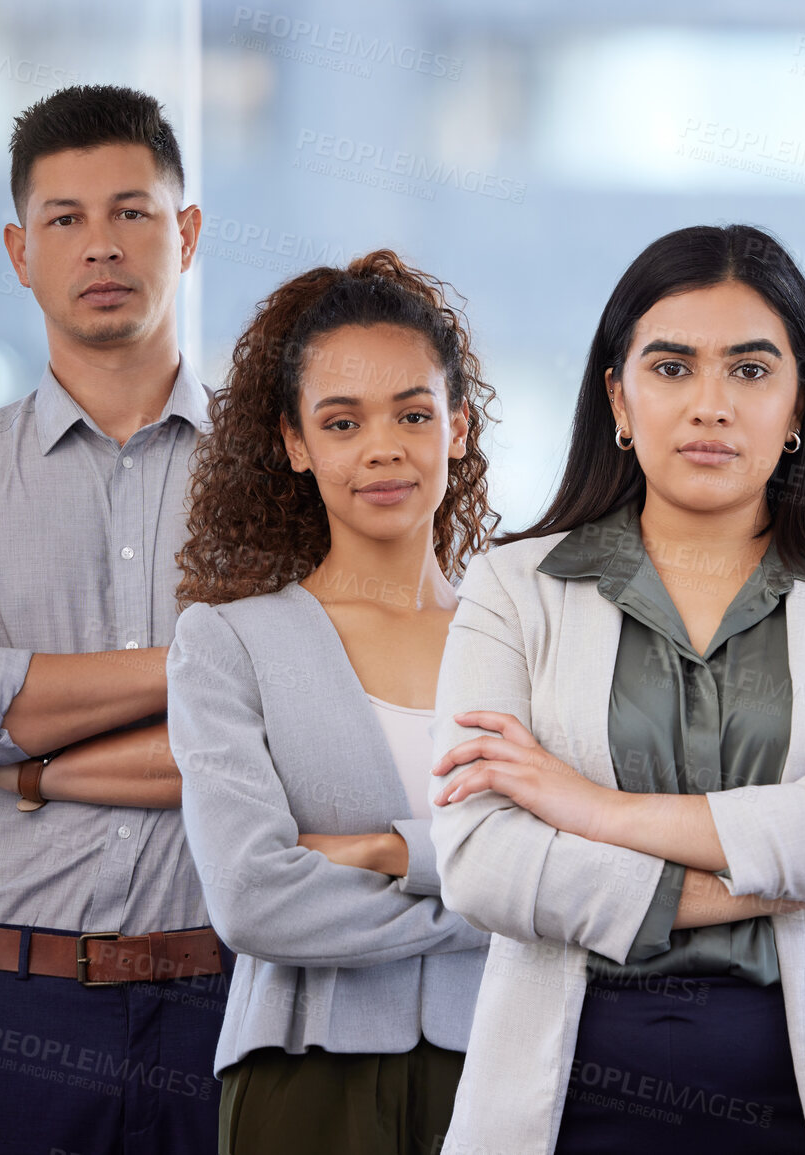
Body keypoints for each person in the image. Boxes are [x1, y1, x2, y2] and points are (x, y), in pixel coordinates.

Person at [424, 223, 805, 1155]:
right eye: (672, 368)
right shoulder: (511, 588)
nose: (710, 405)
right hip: (561, 1109)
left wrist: (586, 805)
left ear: (799, 402)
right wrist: (803, 854)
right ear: (618, 399)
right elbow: (484, 862)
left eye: (751, 371)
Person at [0, 86, 225, 1153]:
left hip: (228, 1004)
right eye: (66, 220)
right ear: (21, 251)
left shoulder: (279, 472)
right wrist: (204, 664)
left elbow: (301, 731)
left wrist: (21, 744)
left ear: (185, 232)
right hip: (6, 1011)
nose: (100, 245)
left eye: (132, 212)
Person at [167, 250, 496, 1155]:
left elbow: (585, 871)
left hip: (505, 1065)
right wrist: (496, 891)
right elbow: (253, 901)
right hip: (303, 1076)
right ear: (295, 443)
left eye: (413, 414)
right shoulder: (230, 643)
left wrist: (388, 850)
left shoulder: (524, 638)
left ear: (457, 428)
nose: (383, 447)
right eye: (342, 421)